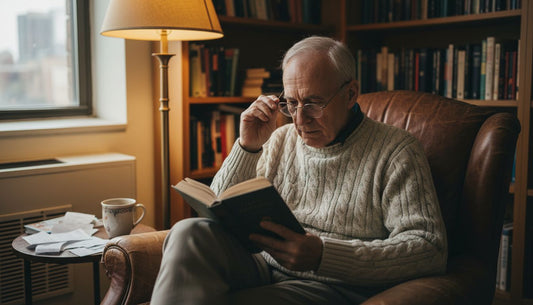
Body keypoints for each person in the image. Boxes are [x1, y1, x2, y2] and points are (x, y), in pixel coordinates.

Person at [151, 36, 447, 305]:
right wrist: (247, 146)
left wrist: (323, 255)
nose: (300, 119)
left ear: (351, 93)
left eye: (314, 103)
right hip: (262, 263)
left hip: (331, 285)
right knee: (188, 230)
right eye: (291, 103)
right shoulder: (281, 138)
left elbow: (429, 248)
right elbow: (216, 209)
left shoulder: (397, 150)